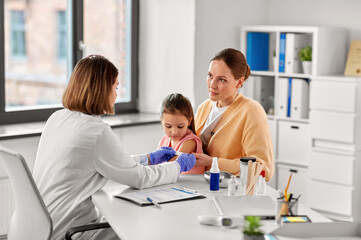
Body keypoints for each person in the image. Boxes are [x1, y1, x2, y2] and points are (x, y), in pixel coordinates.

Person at [32, 55, 196, 240]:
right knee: (140, 224)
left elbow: (103, 162)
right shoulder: (96, 132)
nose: (117, 94)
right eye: (115, 87)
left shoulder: (57, 118)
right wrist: (177, 166)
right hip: (70, 230)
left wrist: (149, 158)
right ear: (102, 90)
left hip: (41, 227)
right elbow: (139, 178)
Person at [193, 48, 274, 181]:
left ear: (239, 82)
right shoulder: (204, 107)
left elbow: (263, 168)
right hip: (201, 186)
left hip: (231, 192)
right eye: (210, 76)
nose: (212, 85)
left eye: (222, 80)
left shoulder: (251, 111)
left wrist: (212, 162)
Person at [157, 93, 205, 174]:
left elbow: (171, 165)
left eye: (180, 126)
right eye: (168, 126)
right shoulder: (165, 139)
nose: (174, 132)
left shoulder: (190, 142)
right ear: (161, 121)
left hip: (191, 184)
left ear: (189, 121)